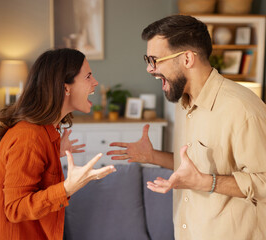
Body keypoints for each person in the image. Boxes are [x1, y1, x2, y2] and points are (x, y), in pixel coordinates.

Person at [107, 15, 266, 239]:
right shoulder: (183, 102)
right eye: (148, 59)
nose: (149, 69)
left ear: (187, 59)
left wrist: (207, 183)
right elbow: (192, 167)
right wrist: (153, 156)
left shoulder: (243, 109)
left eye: (155, 59)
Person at [0, 48, 116, 240]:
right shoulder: (29, 137)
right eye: (88, 76)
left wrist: (51, 154)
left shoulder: (41, 134)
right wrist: (67, 188)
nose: (95, 82)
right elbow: (15, 208)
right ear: (66, 87)